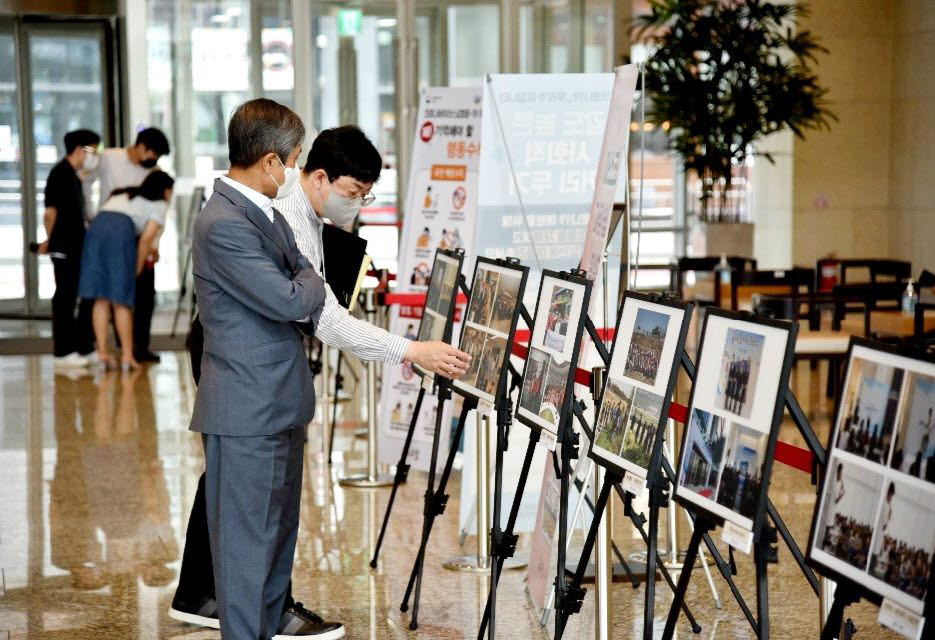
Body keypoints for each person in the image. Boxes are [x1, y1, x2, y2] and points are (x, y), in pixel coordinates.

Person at [170, 117, 471, 639]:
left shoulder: (280, 214)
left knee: (270, 519)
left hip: (274, 380)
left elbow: (305, 295)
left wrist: (308, 283)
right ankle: (224, 607)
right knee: (245, 520)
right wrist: (410, 349)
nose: (356, 202)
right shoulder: (259, 214)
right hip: (245, 381)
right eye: (292, 159)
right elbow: (314, 310)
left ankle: (262, 612)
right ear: (294, 169)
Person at [89, 127, 171, 364]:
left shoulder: (154, 171)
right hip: (121, 232)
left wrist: (153, 246)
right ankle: (119, 351)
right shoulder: (109, 158)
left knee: (142, 295)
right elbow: (87, 180)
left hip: (132, 232)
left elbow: (151, 232)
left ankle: (138, 348)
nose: (154, 161)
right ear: (141, 146)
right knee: (116, 295)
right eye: (152, 154)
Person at [78, 171, 174, 371]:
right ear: (165, 190)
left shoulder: (123, 193)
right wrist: (137, 269)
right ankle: (128, 356)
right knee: (121, 300)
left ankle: (103, 354)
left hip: (96, 231)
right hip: (119, 232)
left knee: (100, 298)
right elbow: (146, 240)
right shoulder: (159, 205)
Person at [38, 129, 100, 368]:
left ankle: (82, 346)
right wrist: (50, 240)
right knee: (64, 296)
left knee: (80, 294)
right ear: (78, 149)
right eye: (91, 150)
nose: (91, 156)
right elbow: (50, 213)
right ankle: (62, 351)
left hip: (77, 246)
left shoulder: (73, 175)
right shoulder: (59, 173)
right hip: (64, 246)